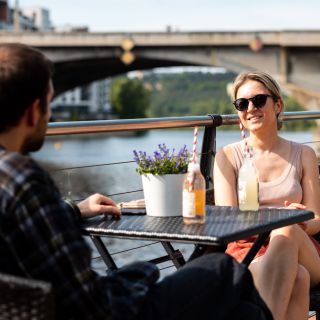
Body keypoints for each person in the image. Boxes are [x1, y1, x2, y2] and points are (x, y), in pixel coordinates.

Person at [0, 43, 276, 320]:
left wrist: (73, 210)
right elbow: (91, 304)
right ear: (34, 112)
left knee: (244, 313)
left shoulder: (12, 183)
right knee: (223, 268)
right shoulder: (23, 178)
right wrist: (141, 273)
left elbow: (19, 225)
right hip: (119, 314)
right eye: (49, 103)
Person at [214, 70, 320, 320]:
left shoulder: (303, 154)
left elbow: (317, 218)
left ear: (278, 104)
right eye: (242, 103)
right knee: (298, 277)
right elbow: (228, 223)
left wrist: (302, 221)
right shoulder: (228, 157)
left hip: (305, 248)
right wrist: (277, 219)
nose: (250, 108)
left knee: (286, 229)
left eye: (259, 100)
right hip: (247, 252)